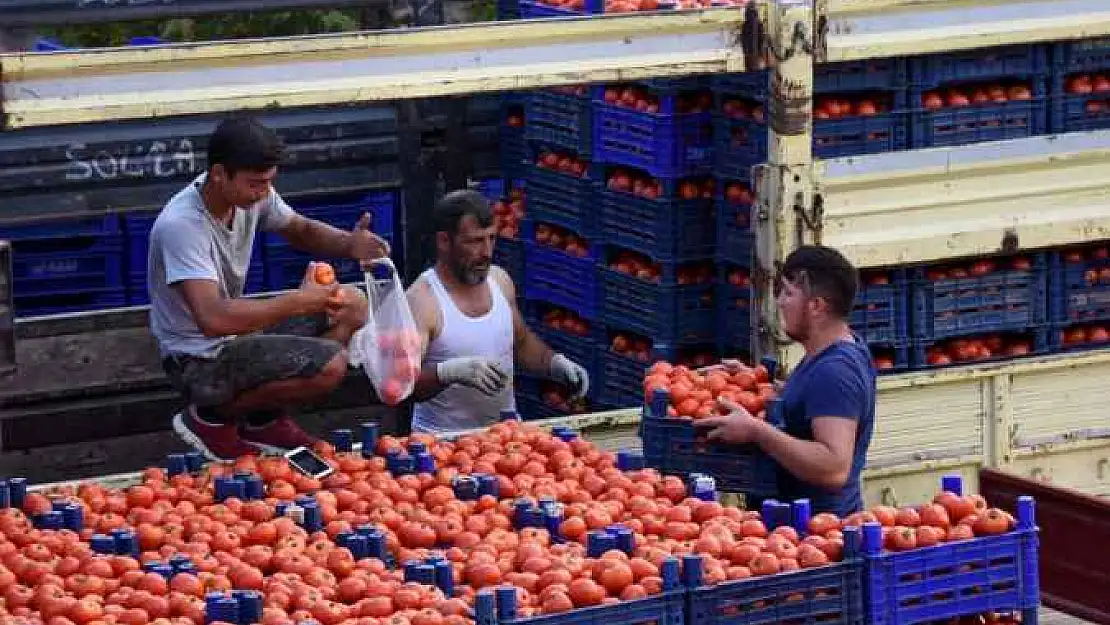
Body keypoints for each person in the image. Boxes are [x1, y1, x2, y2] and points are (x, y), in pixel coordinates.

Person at [148, 116, 391, 461]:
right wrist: (298, 302)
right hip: (197, 360)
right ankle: (211, 419)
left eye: (268, 183)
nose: (263, 192)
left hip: (235, 342)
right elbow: (212, 319)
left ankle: (263, 420)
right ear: (219, 174)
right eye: (255, 184)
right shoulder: (182, 226)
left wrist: (349, 244)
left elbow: (300, 229)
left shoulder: (251, 196)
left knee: (351, 304)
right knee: (332, 364)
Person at [696, 245, 876, 516]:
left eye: (789, 293)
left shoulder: (835, 372)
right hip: (799, 530)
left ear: (816, 306)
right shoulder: (833, 354)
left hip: (817, 534)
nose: (780, 302)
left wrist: (756, 431)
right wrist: (749, 380)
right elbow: (809, 404)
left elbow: (834, 467)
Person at [406, 189, 591, 435]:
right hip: (442, 444)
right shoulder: (422, 300)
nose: (486, 252)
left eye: (491, 238)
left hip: (506, 441)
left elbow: (521, 342)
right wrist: (449, 372)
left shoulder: (499, 281)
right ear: (444, 241)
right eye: (474, 241)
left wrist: (554, 363)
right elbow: (405, 384)